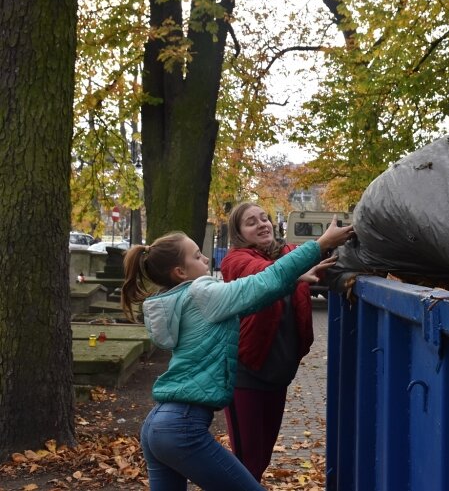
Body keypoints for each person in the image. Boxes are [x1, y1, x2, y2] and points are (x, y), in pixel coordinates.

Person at [120, 218, 353, 491]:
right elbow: (265, 280)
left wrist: (294, 278)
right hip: (182, 427)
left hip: (157, 426)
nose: (206, 258)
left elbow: (255, 297)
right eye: (197, 256)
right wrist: (321, 244)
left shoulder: (179, 300)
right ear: (180, 272)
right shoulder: (201, 293)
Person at [217, 202, 326, 481]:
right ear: (239, 233)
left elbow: (323, 265)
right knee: (246, 460)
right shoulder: (236, 260)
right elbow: (267, 275)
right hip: (246, 374)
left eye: (264, 218)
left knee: (262, 457)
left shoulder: (289, 253)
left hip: (278, 375)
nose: (263, 224)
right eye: (252, 222)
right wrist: (304, 263)